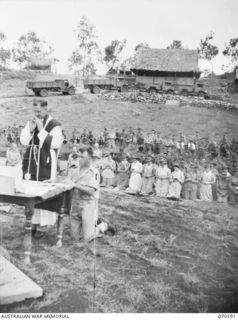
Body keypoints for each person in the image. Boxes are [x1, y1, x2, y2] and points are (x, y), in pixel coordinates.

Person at [20, 99, 63, 237]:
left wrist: (41, 130)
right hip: (32, 161)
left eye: (39, 111)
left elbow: (55, 144)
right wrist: (31, 129)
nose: (37, 114)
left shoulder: (54, 125)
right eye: (35, 111)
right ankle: (31, 222)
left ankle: (43, 226)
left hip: (46, 161)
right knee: (31, 190)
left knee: (44, 192)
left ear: (46, 109)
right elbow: (23, 141)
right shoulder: (31, 121)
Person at [71, 147, 116, 242]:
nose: (79, 159)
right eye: (79, 156)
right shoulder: (74, 169)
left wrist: (75, 185)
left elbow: (91, 191)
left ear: (90, 159)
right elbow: (67, 182)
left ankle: (103, 226)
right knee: (74, 237)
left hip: (88, 204)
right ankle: (91, 224)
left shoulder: (94, 172)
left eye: (82, 157)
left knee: (86, 238)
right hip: (75, 203)